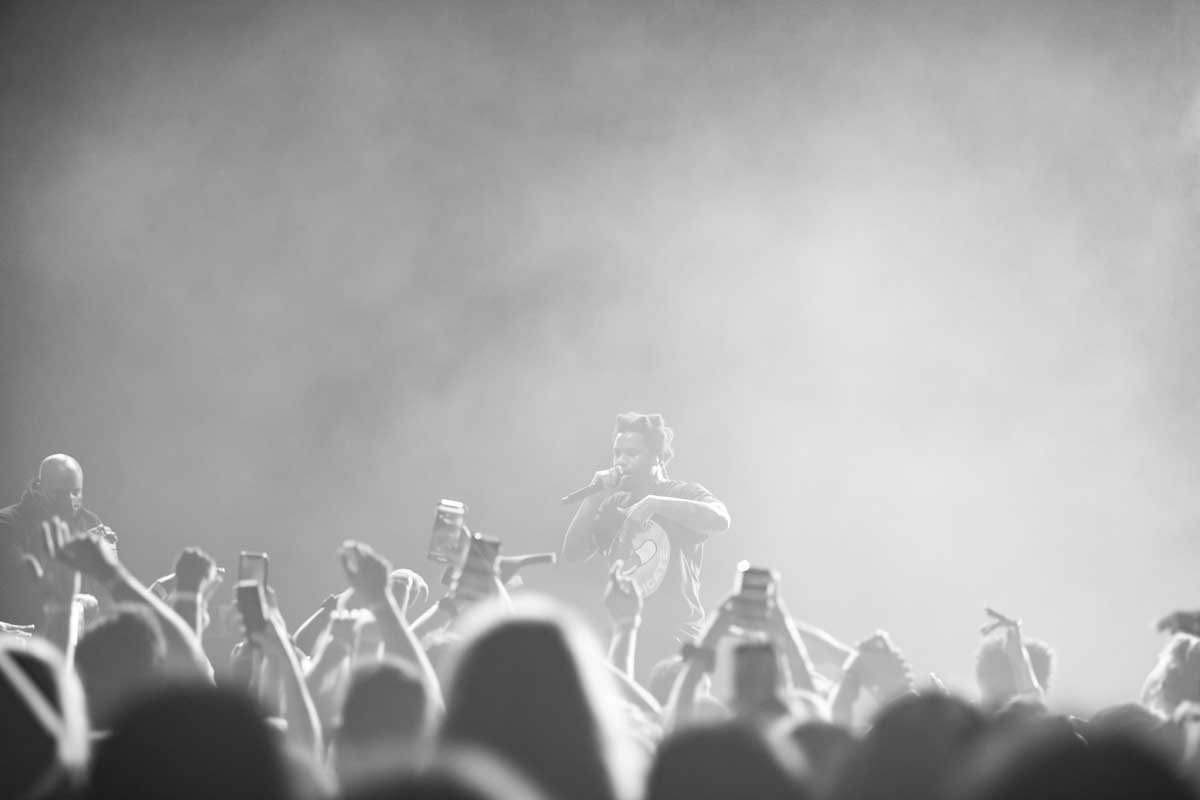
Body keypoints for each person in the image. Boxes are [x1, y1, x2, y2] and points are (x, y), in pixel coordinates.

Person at [563, 412, 730, 677]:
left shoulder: (680, 493)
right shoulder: (613, 504)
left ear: (658, 456)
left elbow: (721, 519)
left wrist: (654, 503)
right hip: (628, 636)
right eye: (617, 453)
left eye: (632, 453)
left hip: (677, 640)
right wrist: (594, 497)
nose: (621, 460)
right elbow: (573, 553)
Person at [0, 455, 114, 628]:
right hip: (28, 634)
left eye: (75, 492)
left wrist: (109, 562)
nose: (69, 501)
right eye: (59, 494)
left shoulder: (90, 522)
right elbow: (19, 585)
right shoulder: (8, 523)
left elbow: (103, 593)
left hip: (80, 636)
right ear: (39, 486)